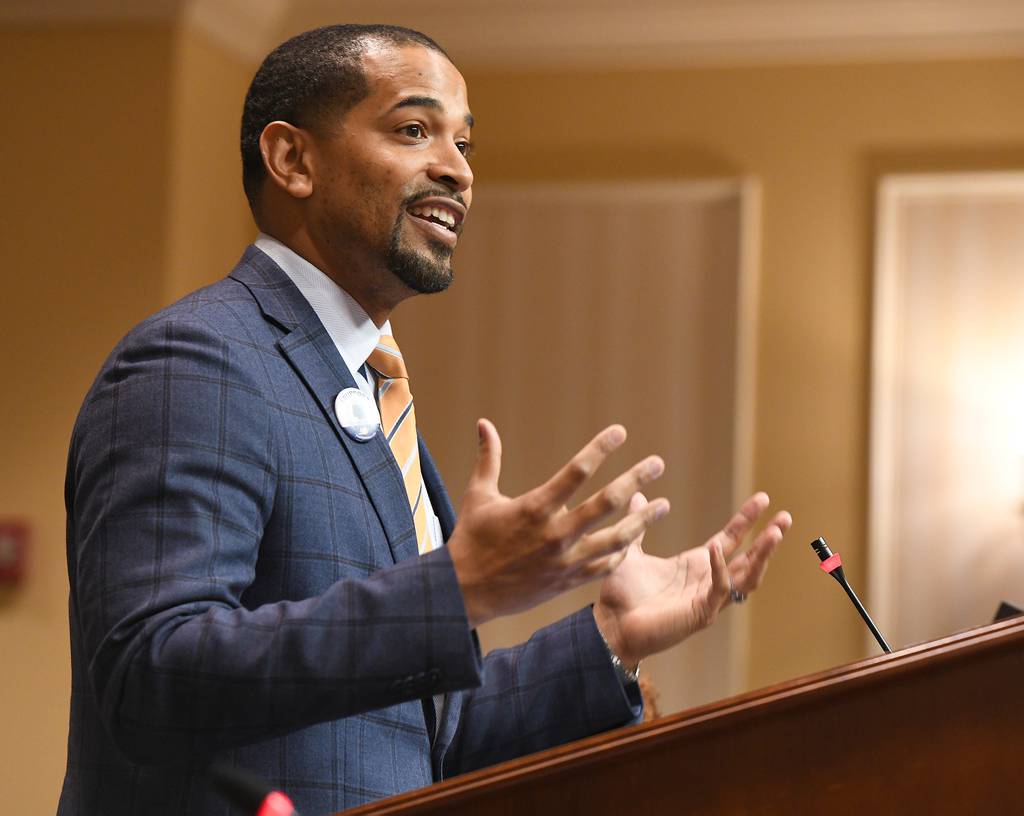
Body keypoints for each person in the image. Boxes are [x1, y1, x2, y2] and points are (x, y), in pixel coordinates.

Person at [58, 24, 792, 815]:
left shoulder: (368, 389)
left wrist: (607, 636)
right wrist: (455, 592)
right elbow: (148, 673)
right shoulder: (197, 361)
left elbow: (418, 737)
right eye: (414, 131)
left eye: (464, 143)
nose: (458, 170)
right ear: (292, 160)